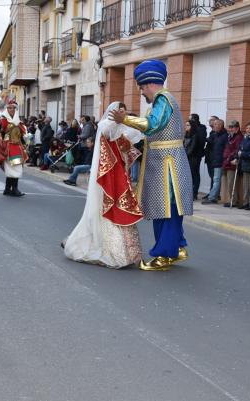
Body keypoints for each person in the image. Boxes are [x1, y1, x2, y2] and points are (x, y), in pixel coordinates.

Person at [109, 59, 193, 271]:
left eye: (141, 87)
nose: (141, 92)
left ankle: (164, 255)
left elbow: (152, 125)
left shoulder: (162, 99)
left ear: (148, 84)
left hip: (168, 165)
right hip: (165, 163)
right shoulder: (162, 101)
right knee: (166, 209)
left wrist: (125, 119)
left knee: (167, 210)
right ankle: (178, 247)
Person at [63, 101, 144, 268]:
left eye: (124, 110)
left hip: (120, 173)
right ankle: (113, 252)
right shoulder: (107, 126)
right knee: (109, 207)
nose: (122, 113)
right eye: (119, 110)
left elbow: (130, 145)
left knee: (122, 206)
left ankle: (127, 253)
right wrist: (119, 122)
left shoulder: (122, 127)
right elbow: (109, 134)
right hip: (109, 175)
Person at [0, 100, 28, 196]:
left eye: (13, 108)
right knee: (13, 168)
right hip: (8, 147)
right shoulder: (3, 120)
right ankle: (14, 189)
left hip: (17, 147)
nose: (11, 109)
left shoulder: (18, 121)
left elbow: (21, 135)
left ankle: (8, 189)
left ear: (16, 109)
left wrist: (24, 144)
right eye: (9, 108)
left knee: (15, 168)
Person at [203, 119, 228, 204]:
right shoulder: (215, 135)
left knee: (216, 180)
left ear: (221, 125)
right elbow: (209, 142)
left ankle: (212, 197)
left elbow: (226, 149)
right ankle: (214, 196)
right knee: (216, 179)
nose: (214, 126)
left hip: (220, 160)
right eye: (213, 124)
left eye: (216, 124)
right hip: (214, 160)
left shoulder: (224, 136)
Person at [222, 121, 243, 207]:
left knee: (232, 183)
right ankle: (230, 199)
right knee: (229, 183)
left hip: (232, 162)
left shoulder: (238, 137)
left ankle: (233, 201)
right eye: (229, 127)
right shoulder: (230, 137)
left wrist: (229, 158)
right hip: (227, 162)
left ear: (237, 128)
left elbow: (237, 149)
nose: (230, 129)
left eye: (232, 127)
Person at [188, 114, 206, 199]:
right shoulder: (189, 131)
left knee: (194, 174)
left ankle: (194, 193)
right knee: (191, 174)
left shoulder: (200, 129)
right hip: (191, 155)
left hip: (195, 156)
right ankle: (190, 192)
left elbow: (199, 143)